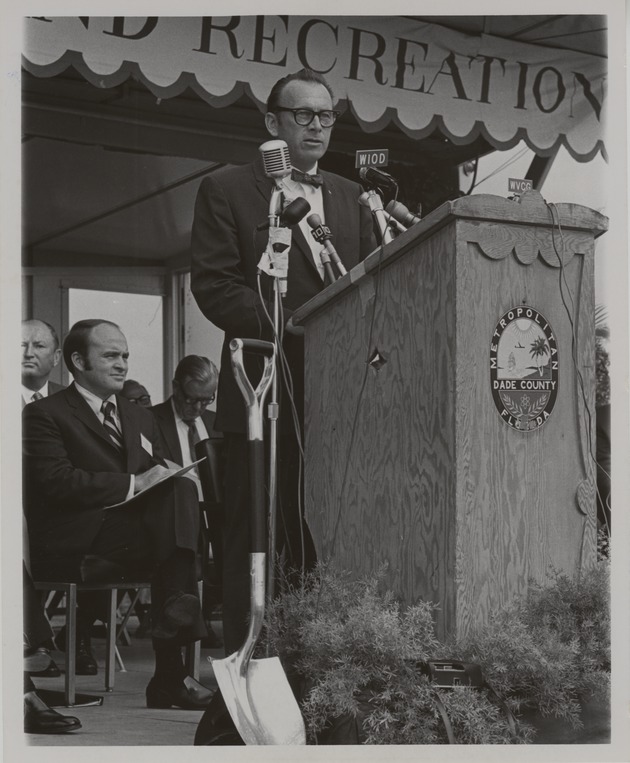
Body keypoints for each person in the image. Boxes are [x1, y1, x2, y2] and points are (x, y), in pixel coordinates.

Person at [191, 68, 376, 654]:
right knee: (260, 533)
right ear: (272, 122)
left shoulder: (352, 195)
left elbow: (373, 283)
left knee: (331, 528)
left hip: (342, 395)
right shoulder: (227, 188)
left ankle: (324, 661)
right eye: (303, 115)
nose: (317, 127)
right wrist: (287, 324)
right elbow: (216, 286)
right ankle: (253, 659)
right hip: (262, 388)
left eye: (326, 116)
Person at [23, 319, 214, 710]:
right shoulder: (45, 413)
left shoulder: (138, 415)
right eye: (110, 355)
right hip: (74, 539)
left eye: (125, 355)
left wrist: (164, 478)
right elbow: (57, 481)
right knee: (174, 549)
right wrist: (134, 485)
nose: (122, 364)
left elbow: (158, 470)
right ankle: (171, 672)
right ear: (77, 361)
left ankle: (175, 635)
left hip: (133, 539)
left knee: (179, 485)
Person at [151, 355, 224, 647]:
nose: (196, 409)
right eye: (190, 399)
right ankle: (194, 617)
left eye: (206, 401)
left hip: (215, 511)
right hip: (177, 512)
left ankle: (202, 611)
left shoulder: (216, 422)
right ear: (175, 387)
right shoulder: (150, 420)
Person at [22, 319, 64, 406]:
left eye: (39, 346)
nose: (28, 354)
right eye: (22, 345)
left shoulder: (69, 398)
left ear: (56, 357)